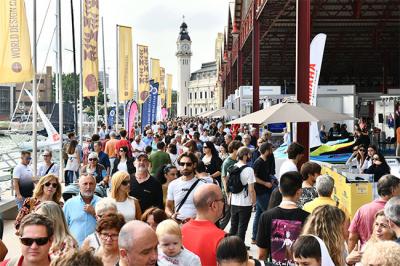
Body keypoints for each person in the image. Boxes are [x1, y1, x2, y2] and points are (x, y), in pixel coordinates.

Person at [256, 171, 309, 264]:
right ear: (299, 192)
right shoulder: (308, 217)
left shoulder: (265, 216)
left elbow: (261, 255)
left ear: (280, 189)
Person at [348, 174, 400, 251]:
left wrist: (351, 259)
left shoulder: (362, 210)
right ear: (393, 190)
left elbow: (352, 238)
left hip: (366, 256)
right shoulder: (396, 211)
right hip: (391, 256)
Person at [181, 184, 226, 266]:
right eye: (223, 200)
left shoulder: (179, 232)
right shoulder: (222, 239)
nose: (224, 203)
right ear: (214, 205)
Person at [166, 152, 206, 223]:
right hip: (179, 224)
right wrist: (171, 215)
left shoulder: (202, 184)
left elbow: (208, 207)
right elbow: (168, 207)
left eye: (188, 164)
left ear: (194, 165)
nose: (185, 167)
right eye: (182, 164)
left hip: (197, 224)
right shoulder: (173, 184)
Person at [227, 146, 256, 243]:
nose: (250, 156)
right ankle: (239, 249)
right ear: (244, 156)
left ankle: (230, 246)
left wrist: (229, 198)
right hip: (245, 203)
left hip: (234, 202)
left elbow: (229, 185)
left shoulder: (232, 168)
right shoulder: (249, 170)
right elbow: (251, 189)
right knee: (242, 228)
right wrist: (254, 202)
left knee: (233, 226)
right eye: (249, 154)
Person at [64, 174, 101, 246]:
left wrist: (94, 213)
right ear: (79, 185)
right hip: (74, 249)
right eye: (85, 184)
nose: (88, 187)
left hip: (96, 249)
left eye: (91, 184)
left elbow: (108, 225)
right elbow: (63, 227)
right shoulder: (69, 204)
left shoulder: (102, 203)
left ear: (95, 185)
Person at [252, 142, 275, 243]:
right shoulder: (258, 162)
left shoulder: (267, 160)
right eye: (270, 149)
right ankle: (264, 238)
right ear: (266, 151)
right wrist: (265, 183)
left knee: (259, 214)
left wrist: (271, 180)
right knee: (268, 213)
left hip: (266, 190)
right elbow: (254, 177)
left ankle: (254, 237)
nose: (271, 151)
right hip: (261, 192)